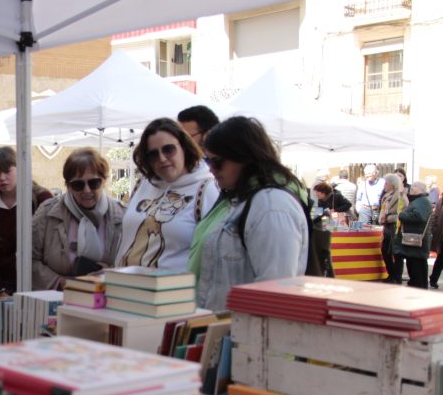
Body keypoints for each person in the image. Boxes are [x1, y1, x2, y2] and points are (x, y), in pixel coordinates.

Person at [192, 116, 308, 312]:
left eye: (217, 162)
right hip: (225, 330)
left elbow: (274, 291)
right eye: (207, 161)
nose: (211, 169)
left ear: (244, 157)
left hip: (246, 334)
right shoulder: (240, 200)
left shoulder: (271, 206)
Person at [116, 117, 219, 271]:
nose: (162, 158)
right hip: (124, 286)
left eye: (168, 149)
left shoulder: (206, 189)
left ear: (184, 147)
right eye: (153, 154)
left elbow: (214, 252)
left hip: (173, 291)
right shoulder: (142, 184)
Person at [32, 148, 125, 290]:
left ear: (104, 181)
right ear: (68, 186)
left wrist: (111, 272)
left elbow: (132, 264)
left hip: (106, 297)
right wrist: (61, 283)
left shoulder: (122, 215)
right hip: (57, 299)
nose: (87, 190)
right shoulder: (46, 213)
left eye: (94, 183)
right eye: (78, 185)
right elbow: (28, 260)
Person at [0, 147, 53, 295]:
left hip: (36, 285)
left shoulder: (42, 199)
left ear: (19, 169)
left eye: (7, 171)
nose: (2, 178)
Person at [394, 181, 434, 289]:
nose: (412, 188)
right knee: (415, 269)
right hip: (414, 245)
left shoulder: (422, 202)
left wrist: (402, 215)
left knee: (418, 271)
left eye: (415, 186)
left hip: (417, 244)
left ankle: (418, 290)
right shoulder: (419, 201)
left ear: (421, 189)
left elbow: (419, 217)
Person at [378, 174, 405, 284]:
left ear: (392, 184)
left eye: (386, 183)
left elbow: (402, 213)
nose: (385, 185)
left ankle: (396, 277)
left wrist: (388, 218)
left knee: (396, 253)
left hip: (395, 228)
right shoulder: (386, 195)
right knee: (385, 251)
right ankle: (391, 274)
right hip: (387, 228)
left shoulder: (400, 196)